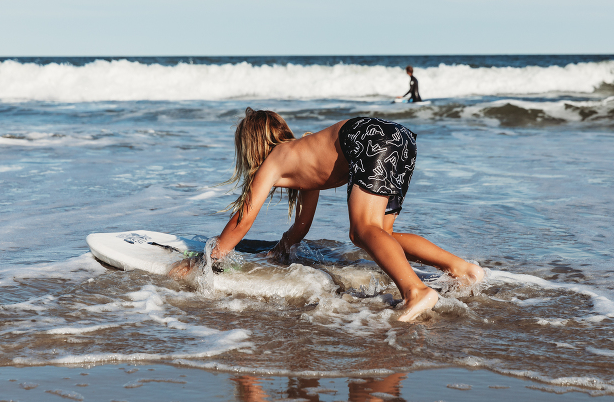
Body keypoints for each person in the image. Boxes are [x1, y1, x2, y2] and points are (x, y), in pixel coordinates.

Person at [170, 108, 484, 322]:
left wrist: (209, 259)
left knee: (363, 231)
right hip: (398, 138)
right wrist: (282, 250)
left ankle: (416, 292)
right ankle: (461, 268)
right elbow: (302, 224)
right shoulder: (301, 158)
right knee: (378, 236)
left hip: (367, 138)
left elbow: (244, 218)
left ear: (251, 146)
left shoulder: (276, 160)